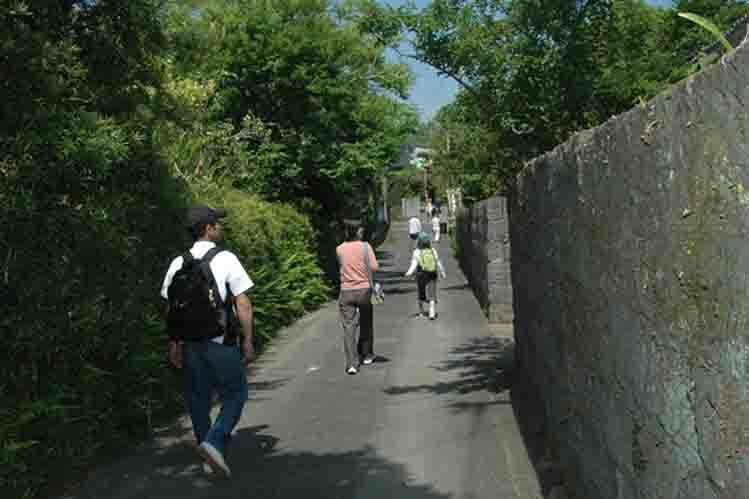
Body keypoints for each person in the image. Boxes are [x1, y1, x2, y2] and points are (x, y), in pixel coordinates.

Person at [161, 204, 255, 478]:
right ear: (208, 228)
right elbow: (242, 301)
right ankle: (214, 443)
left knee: (198, 399)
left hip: (189, 344)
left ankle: (209, 456)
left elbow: (170, 307)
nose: (220, 227)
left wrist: (173, 343)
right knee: (236, 394)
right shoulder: (225, 258)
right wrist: (248, 340)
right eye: (217, 223)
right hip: (219, 342)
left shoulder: (178, 262)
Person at [336, 222, 379, 374]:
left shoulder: (339, 249)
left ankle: (352, 364)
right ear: (357, 232)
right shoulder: (366, 247)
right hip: (364, 290)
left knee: (349, 326)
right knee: (366, 321)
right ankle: (366, 354)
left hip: (346, 291)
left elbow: (341, 266)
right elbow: (374, 267)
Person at [405, 232, 446, 320]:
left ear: (419, 242)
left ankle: (421, 311)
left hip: (421, 274)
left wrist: (409, 272)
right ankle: (432, 312)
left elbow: (414, 263)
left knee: (421, 291)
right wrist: (442, 272)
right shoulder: (432, 250)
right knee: (432, 292)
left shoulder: (417, 251)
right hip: (432, 273)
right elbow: (438, 261)